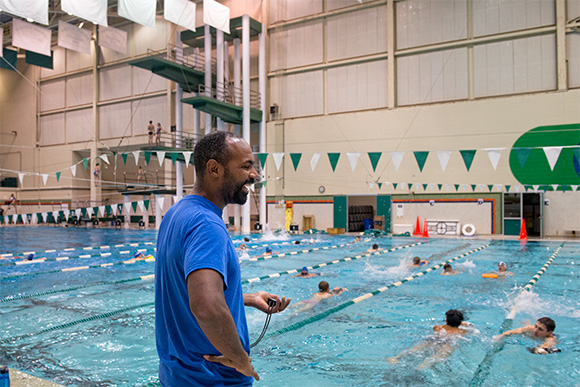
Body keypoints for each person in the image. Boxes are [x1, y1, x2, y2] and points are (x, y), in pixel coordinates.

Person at [155, 131, 291, 386]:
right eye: (246, 166)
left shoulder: (176, 214)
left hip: (177, 376)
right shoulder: (207, 224)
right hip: (212, 379)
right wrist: (240, 359)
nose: (254, 175)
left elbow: (187, 294)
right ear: (214, 168)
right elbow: (206, 306)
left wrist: (248, 299)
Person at [387, 309, 474, 369]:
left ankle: (395, 357)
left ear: (446, 319)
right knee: (435, 357)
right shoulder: (461, 331)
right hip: (448, 341)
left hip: (433, 339)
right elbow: (471, 326)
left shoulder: (437, 327)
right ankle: (421, 367)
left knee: (414, 349)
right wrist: (460, 323)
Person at [493, 317, 559, 354]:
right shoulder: (530, 329)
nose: (535, 330)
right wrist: (499, 337)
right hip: (527, 330)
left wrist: (539, 350)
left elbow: (545, 346)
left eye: (540, 329)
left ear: (549, 332)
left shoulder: (550, 339)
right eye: (536, 326)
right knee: (526, 324)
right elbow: (509, 332)